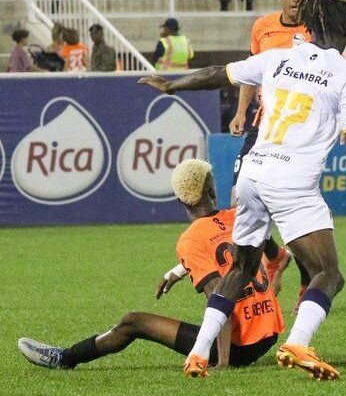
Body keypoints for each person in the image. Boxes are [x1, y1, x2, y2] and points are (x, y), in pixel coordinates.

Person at [139, 0, 346, 380]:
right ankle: (297, 343)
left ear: (309, 26)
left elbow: (217, 74)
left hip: (253, 174)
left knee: (241, 268)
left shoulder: (278, 57)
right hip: (291, 182)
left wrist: (173, 85)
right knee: (328, 273)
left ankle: (198, 352)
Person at [17, 159, 285, 371]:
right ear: (212, 191)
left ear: (180, 200)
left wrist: (222, 361)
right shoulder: (238, 216)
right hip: (267, 333)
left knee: (133, 322)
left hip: (239, 346)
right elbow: (273, 253)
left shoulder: (191, 239)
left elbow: (218, 297)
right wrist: (179, 270)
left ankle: (64, 358)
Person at [229, 0, 313, 314]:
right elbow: (250, 72)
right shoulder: (262, 27)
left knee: (300, 214)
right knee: (240, 195)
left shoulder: (319, 30)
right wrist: (240, 111)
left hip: (301, 134)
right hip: (263, 126)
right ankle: (274, 254)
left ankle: (308, 283)